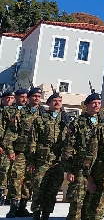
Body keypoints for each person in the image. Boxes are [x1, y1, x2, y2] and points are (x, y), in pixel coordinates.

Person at [29, 91, 72, 220]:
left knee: (52, 190)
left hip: (58, 162)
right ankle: (36, 214)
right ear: (48, 103)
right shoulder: (41, 119)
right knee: (38, 188)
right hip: (42, 160)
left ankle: (46, 215)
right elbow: (33, 141)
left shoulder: (66, 120)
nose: (57, 102)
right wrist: (31, 161)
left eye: (59, 100)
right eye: (54, 100)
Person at [62, 92, 104, 220]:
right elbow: (68, 147)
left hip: (97, 170)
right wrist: (69, 170)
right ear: (87, 105)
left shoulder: (103, 124)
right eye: (93, 103)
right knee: (76, 204)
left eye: (99, 103)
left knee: (92, 206)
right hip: (80, 169)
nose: (96, 105)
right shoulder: (77, 123)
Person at [7, 87, 41, 217]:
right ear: (29, 98)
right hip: (20, 152)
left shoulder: (43, 115)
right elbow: (11, 133)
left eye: (39, 96)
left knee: (29, 181)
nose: (36, 98)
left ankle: (22, 206)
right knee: (16, 178)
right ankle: (13, 207)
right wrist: (10, 150)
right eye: (34, 96)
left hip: (35, 154)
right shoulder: (20, 113)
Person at [0, 90, 17, 206]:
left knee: (6, 171)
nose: (9, 100)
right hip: (2, 146)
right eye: (7, 98)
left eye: (11, 98)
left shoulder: (15, 112)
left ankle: (5, 195)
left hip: (9, 146)